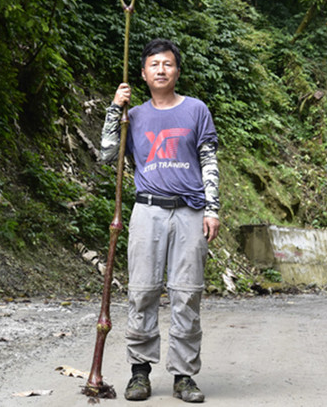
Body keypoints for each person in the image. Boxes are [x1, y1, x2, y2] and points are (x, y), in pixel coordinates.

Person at [100, 38, 220, 403]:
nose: (161, 70)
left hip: (189, 211)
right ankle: (140, 373)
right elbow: (107, 155)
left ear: (177, 71)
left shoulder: (197, 110)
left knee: (187, 295)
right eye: (154, 65)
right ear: (143, 73)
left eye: (168, 64)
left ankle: (183, 376)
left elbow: (209, 161)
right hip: (147, 210)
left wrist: (212, 208)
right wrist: (113, 110)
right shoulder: (132, 115)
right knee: (142, 292)